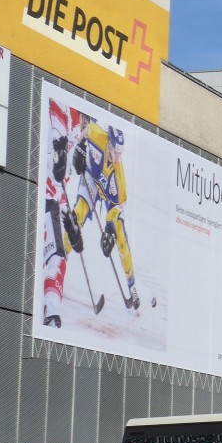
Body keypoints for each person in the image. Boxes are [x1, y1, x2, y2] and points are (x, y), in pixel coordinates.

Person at [72, 117, 141, 309]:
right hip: (93, 179)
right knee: (77, 215)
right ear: (108, 144)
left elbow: (118, 206)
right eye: (115, 152)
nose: (118, 158)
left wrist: (109, 229)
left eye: (121, 153)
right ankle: (59, 260)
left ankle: (132, 286)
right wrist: (80, 146)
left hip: (111, 199)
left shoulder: (119, 178)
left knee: (121, 239)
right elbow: (86, 130)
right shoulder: (98, 135)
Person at [40, 99, 84, 328]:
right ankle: (49, 310)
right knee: (53, 257)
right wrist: (55, 155)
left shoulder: (75, 126)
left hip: (52, 203)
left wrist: (70, 223)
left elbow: (63, 185)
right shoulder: (59, 109)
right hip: (37, 195)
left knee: (58, 257)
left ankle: (51, 311)